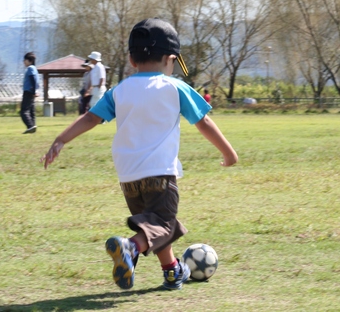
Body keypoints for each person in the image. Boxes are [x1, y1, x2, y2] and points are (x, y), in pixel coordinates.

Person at [40, 18, 238, 291]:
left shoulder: (119, 91)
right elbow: (203, 122)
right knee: (163, 224)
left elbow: (91, 118)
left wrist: (61, 139)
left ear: (132, 60)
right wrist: (229, 154)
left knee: (154, 226)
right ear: (171, 59)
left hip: (128, 176)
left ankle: (172, 272)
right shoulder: (175, 87)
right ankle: (130, 247)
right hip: (159, 172)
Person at [20, 52, 40, 134]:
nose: (24, 62)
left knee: (24, 111)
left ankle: (30, 126)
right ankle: (33, 126)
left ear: (30, 60)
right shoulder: (34, 68)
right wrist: (35, 90)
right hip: (32, 91)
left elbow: (32, 79)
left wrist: (33, 90)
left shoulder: (30, 68)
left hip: (28, 91)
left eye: (25, 60)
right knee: (31, 111)